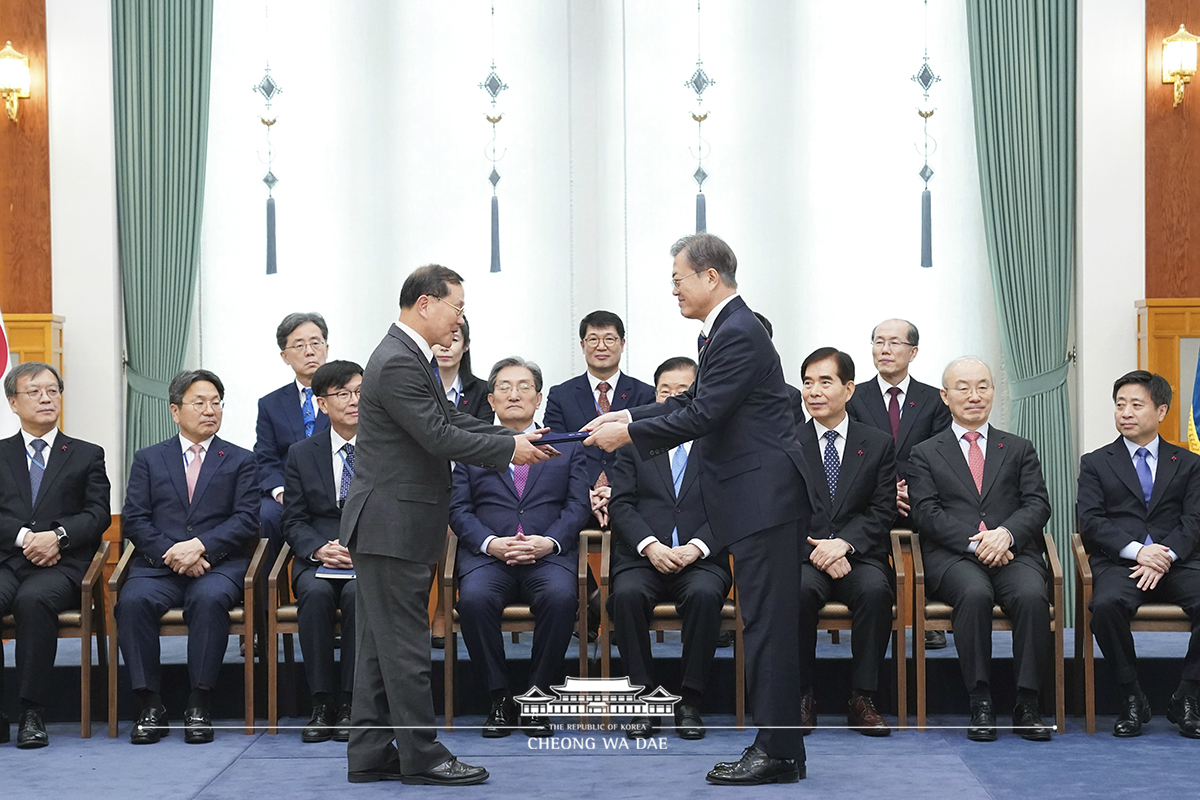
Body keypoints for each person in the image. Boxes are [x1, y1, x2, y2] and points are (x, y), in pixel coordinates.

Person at [586, 233, 816, 785]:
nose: (674, 291)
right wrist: (625, 418)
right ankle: (781, 750)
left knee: (767, 629)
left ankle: (776, 752)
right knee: (765, 626)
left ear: (710, 276)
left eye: (678, 279)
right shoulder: (727, 330)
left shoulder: (737, 331)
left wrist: (630, 434)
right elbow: (690, 400)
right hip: (758, 499)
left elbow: (704, 414)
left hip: (765, 499)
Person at [338, 264, 551, 786]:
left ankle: (369, 753)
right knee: (407, 647)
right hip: (393, 525)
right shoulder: (397, 360)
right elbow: (437, 435)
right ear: (426, 303)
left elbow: (453, 421)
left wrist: (512, 435)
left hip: (394, 524)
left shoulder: (409, 356)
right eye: (456, 306)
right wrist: (508, 449)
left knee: (377, 647)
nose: (460, 319)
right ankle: (423, 756)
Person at [907, 357, 1054, 742]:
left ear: (993, 390)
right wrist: (977, 542)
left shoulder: (1019, 447)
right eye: (963, 387)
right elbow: (925, 512)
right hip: (953, 555)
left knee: (1032, 595)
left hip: (1012, 551)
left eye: (983, 386)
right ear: (945, 395)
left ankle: (1027, 702)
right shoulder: (925, 452)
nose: (975, 396)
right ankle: (981, 700)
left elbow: (1038, 504)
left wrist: (1005, 534)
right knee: (973, 594)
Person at [449, 357, 590, 738]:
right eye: (505, 387)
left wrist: (549, 542)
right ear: (491, 400)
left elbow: (578, 507)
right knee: (474, 601)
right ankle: (498, 698)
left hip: (547, 556)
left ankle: (537, 696)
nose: (515, 394)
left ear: (539, 398)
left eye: (524, 386)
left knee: (561, 599)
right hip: (489, 557)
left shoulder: (567, 447)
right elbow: (458, 509)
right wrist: (491, 543)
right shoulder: (471, 447)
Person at [117, 369, 259, 745]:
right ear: (175, 411)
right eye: (199, 402)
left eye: (216, 402)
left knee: (209, 600)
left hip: (218, 564)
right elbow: (134, 519)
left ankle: (200, 701)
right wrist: (172, 552)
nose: (209, 410)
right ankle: (150, 704)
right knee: (131, 603)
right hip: (158, 566)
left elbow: (247, 519)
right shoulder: (149, 458)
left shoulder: (241, 459)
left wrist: (201, 546)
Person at [607, 356, 732, 741]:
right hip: (643, 557)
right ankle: (644, 699)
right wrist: (650, 546)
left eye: (684, 391)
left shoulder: (721, 444)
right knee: (625, 596)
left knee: (705, 595)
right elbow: (621, 505)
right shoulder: (633, 444)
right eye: (666, 391)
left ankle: (689, 701)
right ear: (655, 396)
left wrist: (696, 547)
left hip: (700, 558)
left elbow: (732, 506)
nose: (673, 397)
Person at [1077, 370, 1200, 738]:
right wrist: (1139, 552)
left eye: (1136, 405)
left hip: (1176, 562)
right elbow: (1090, 521)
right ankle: (1132, 696)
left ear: (1161, 410)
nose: (1125, 413)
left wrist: (1165, 555)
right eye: (1120, 405)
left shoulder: (1189, 462)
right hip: (1122, 562)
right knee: (1105, 607)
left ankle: (1188, 695)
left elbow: (1195, 519)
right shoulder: (1096, 462)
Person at [0, 362, 110, 748]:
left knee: (33, 602)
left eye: (53, 390)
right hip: (6, 559)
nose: (46, 398)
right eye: (35, 392)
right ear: (13, 403)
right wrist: (25, 537)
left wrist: (57, 537)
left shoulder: (85, 454)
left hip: (61, 564)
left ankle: (32, 712)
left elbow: (97, 514)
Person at [796, 348, 897, 737]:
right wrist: (819, 549)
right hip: (806, 554)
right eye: (808, 382)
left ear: (848, 388)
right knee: (799, 591)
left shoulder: (876, 443)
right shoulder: (789, 442)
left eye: (825, 382)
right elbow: (782, 510)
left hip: (860, 554)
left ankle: (863, 697)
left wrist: (844, 545)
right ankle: (803, 694)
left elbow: (882, 509)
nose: (814, 391)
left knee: (875, 591)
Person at [846, 318, 952, 649]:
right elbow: (854, 455)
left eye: (894, 342)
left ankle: (926, 616)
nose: (885, 349)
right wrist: (886, 489)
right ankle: (876, 609)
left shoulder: (935, 399)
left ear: (913, 351)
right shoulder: (855, 397)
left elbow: (938, 455)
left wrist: (910, 490)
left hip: (917, 496)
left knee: (934, 519)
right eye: (878, 342)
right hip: (869, 496)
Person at [281, 360, 363, 743]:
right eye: (343, 394)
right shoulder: (301, 453)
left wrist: (361, 550)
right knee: (313, 596)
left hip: (367, 556)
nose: (354, 401)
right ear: (322, 404)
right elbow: (293, 519)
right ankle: (320, 702)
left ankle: (350, 703)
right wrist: (318, 549)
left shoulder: (385, 449)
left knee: (357, 595)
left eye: (360, 392)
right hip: (319, 555)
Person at [544, 310, 655, 525]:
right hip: (575, 498)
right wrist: (585, 492)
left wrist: (616, 490)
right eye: (593, 339)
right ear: (582, 345)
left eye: (609, 339)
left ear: (622, 344)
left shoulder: (645, 394)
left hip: (631, 498)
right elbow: (556, 451)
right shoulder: (561, 394)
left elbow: (647, 452)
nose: (601, 346)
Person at [254, 313, 331, 558]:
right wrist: (280, 491)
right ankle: (265, 594)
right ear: (285, 356)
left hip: (335, 493)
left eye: (315, 343)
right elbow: (265, 458)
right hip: (288, 495)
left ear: (326, 348)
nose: (310, 351)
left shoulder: (349, 397)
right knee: (263, 515)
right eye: (299, 345)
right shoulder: (271, 404)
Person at [433, 315, 493, 423]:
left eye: (454, 339)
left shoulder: (482, 391)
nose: (444, 347)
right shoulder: (419, 386)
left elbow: (483, 435)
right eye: (438, 339)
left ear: (466, 345)